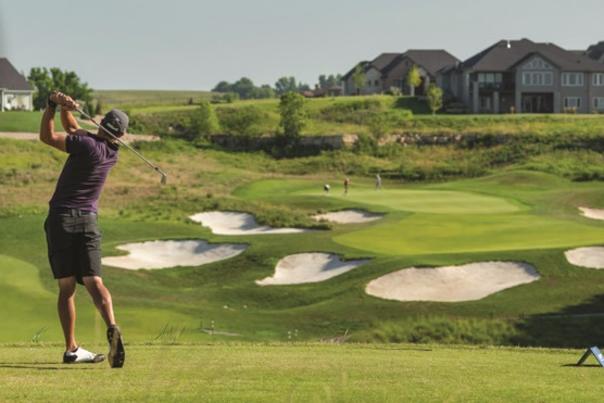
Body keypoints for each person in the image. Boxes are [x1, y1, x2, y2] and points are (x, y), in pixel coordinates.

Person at [40, 92, 126, 368]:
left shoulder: (86, 144)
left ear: (102, 125)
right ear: (120, 135)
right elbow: (74, 128)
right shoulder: (111, 153)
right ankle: (111, 326)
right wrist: (68, 107)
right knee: (94, 282)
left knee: (67, 288)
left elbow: (48, 136)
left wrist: (52, 107)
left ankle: (71, 349)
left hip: (62, 219)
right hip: (88, 220)